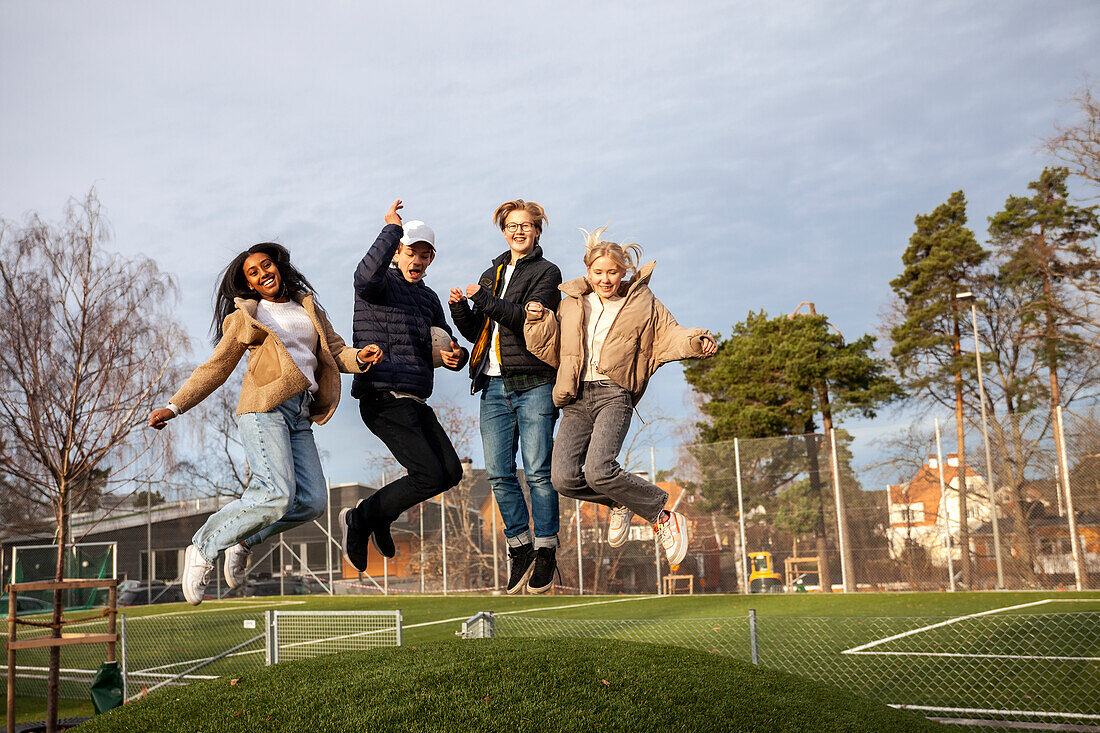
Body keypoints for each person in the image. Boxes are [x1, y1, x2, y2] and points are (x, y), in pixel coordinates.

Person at [149, 243, 383, 605]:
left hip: (301, 411)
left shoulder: (308, 307)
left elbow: (334, 350)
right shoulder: (247, 316)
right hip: (263, 409)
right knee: (275, 493)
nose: (262, 274)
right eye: (252, 273)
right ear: (249, 285)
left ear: (278, 266)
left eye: (266, 265)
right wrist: (175, 406)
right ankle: (204, 546)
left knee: (311, 502)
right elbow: (216, 367)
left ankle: (243, 538)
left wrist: (360, 356)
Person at [524, 226, 717, 569]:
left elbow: (670, 335)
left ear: (624, 271)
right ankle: (618, 503)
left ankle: (663, 515)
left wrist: (696, 340)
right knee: (563, 478)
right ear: (588, 272)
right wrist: (536, 322)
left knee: (599, 470)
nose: (605, 279)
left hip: (615, 394)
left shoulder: (642, 303)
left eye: (613, 272)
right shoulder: (571, 303)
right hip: (576, 397)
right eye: (598, 272)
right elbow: (552, 347)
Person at [340, 200, 469, 572]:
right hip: (381, 395)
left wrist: (453, 357)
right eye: (413, 251)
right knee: (428, 473)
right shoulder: (377, 285)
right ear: (398, 251)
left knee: (450, 473)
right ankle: (361, 518)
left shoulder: (428, 298)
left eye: (426, 255)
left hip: (414, 398)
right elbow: (363, 276)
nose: (419, 260)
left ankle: (380, 516)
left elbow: (445, 341)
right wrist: (392, 228)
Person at [449, 200, 563, 594]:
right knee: (498, 474)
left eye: (526, 226)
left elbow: (523, 321)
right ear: (502, 231)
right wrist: (461, 309)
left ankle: (547, 548)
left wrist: (483, 298)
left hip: (534, 383)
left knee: (537, 473)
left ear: (537, 231)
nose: (518, 232)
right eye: (511, 226)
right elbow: (479, 332)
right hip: (493, 386)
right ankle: (521, 547)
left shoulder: (548, 273)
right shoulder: (491, 273)